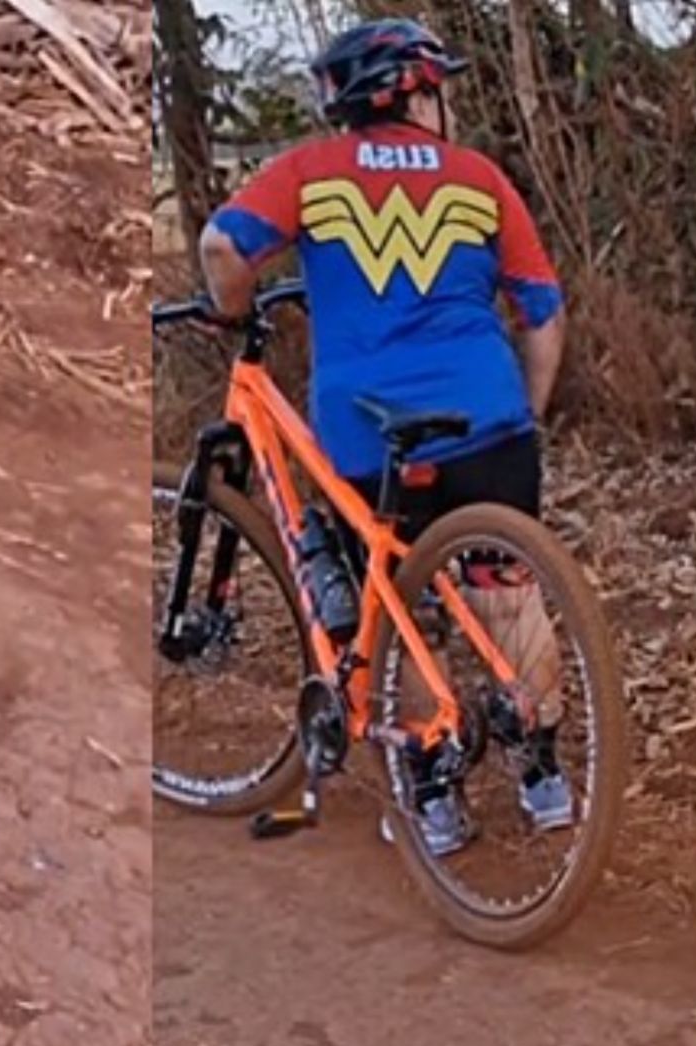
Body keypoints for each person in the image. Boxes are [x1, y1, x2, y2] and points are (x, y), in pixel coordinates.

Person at [198, 16, 571, 856]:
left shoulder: (308, 171)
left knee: (391, 613)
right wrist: (525, 416)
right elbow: (543, 316)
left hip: (369, 437)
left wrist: (229, 310)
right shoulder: (480, 180)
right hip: (488, 422)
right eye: (443, 89)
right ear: (416, 91)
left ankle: (435, 793)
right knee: (507, 590)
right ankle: (544, 773)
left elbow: (224, 247)